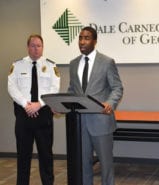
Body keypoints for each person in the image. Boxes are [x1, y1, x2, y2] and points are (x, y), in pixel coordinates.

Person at [67, 26, 123, 185]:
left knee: (105, 165)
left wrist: (110, 103)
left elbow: (117, 87)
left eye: (87, 38)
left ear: (95, 41)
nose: (82, 41)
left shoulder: (106, 62)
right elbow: (72, 90)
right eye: (80, 38)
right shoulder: (73, 64)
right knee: (83, 164)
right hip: (79, 124)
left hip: (101, 122)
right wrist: (62, 104)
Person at [7, 34, 60, 185]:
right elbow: (11, 87)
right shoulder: (17, 65)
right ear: (27, 47)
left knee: (46, 156)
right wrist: (26, 104)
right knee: (23, 156)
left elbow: (54, 88)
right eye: (33, 45)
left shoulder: (51, 66)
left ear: (43, 47)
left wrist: (39, 104)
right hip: (24, 116)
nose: (36, 49)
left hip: (43, 115)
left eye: (39, 46)